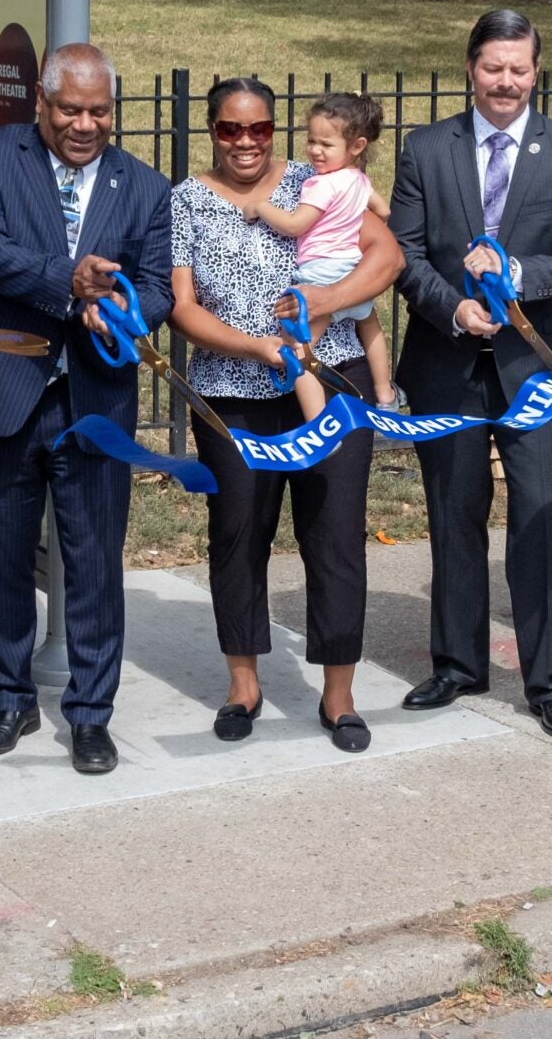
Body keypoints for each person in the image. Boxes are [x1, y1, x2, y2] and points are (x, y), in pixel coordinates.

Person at [390, 9, 552, 739]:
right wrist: (454, 309)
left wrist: (517, 275)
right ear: (469, 67)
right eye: (494, 67)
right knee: (455, 516)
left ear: (536, 72)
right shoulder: (426, 148)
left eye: (520, 68)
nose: (507, 82)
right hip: (445, 362)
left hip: (537, 364)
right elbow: (404, 256)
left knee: (544, 518)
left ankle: (546, 679)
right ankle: (458, 661)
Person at [0, 42, 174, 775]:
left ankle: (90, 712)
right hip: (8, 388)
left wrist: (128, 311)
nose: (85, 123)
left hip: (97, 395)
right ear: (41, 105)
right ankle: (11, 699)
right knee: (3, 554)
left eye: (99, 110)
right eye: (70, 109)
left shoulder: (143, 185)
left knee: (94, 561)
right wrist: (66, 283)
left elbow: (158, 285)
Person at [169, 79, 405, 752]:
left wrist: (327, 298)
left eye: (260, 128)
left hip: (331, 381)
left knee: (334, 535)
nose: (245, 141)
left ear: (275, 129)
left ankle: (338, 693)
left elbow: (388, 254)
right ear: (211, 129)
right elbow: (181, 307)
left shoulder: (316, 177)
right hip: (233, 389)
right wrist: (255, 345)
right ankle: (243, 682)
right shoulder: (185, 200)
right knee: (238, 532)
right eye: (229, 129)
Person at [238, 91, 400, 415]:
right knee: (369, 324)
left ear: (357, 147)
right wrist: (349, 223)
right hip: (352, 268)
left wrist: (261, 207)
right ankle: (386, 395)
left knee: (298, 345)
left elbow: (296, 225)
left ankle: (316, 420)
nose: (315, 151)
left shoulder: (320, 184)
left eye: (326, 145)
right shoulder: (359, 180)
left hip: (320, 273)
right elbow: (383, 212)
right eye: (312, 141)